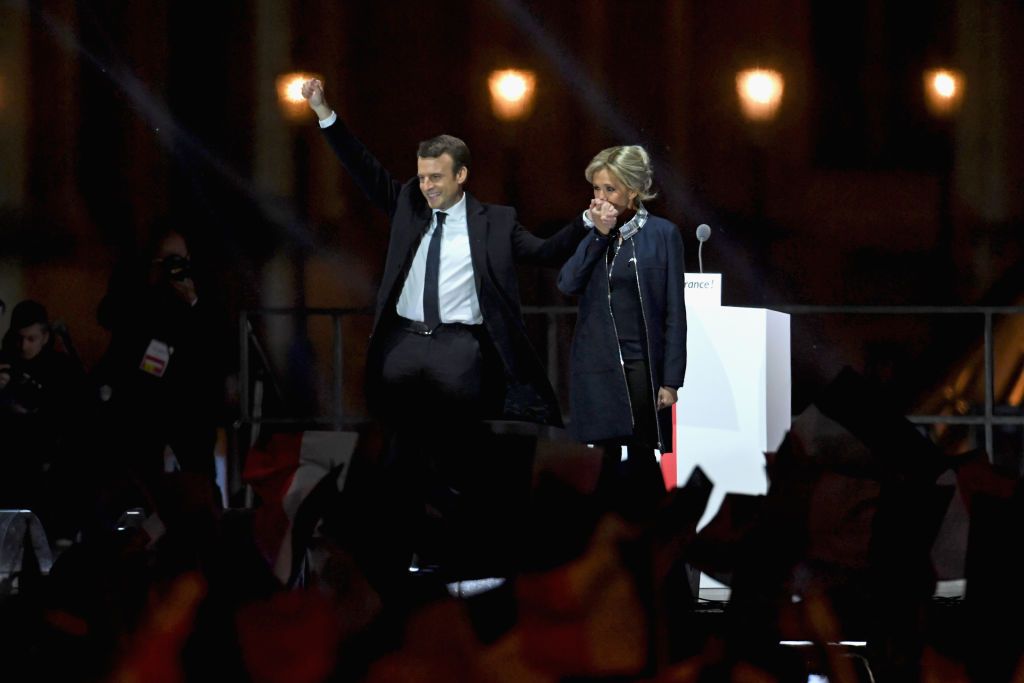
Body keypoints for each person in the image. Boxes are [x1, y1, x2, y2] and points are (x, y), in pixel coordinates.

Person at [300, 78, 587, 579]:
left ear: (461, 177)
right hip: (407, 346)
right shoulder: (410, 208)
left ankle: (441, 537)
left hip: (459, 351)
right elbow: (364, 170)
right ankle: (407, 547)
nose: (427, 186)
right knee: (406, 453)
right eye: (422, 177)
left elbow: (544, 252)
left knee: (436, 447)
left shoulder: (493, 223)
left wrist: (591, 222)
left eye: (437, 177)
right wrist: (325, 113)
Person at [557, 145, 687, 518]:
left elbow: (675, 312)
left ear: (632, 191)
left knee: (645, 459)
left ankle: (653, 542)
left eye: (609, 190)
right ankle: (600, 546)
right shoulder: (595, 235)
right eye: (596, 190)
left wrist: (671, 379)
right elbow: (567, 282)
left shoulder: (663, 235)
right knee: (601, 462)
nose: (600, 199)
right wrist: (597, 236)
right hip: (598, 367)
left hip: (642, 368)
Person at [92, 228, 233, 517]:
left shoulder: (202, 287)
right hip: (146, 399)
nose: (175, 266)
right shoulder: (138, 288)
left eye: (180, 258)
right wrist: (150, 284)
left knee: (200, 475)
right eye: (167, 259)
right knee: (144, 477)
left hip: (189, 399)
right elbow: (108, 315)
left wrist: (192, 301)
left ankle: (210, 534)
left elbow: (218, 337)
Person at [0, 299, 90, 538]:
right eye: (19, 338)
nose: (23, 346)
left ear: (45, 337)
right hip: (10, 464)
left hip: (48, 469)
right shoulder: (5, 362)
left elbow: (76, 419)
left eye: (31, 339)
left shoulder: (63, 370)